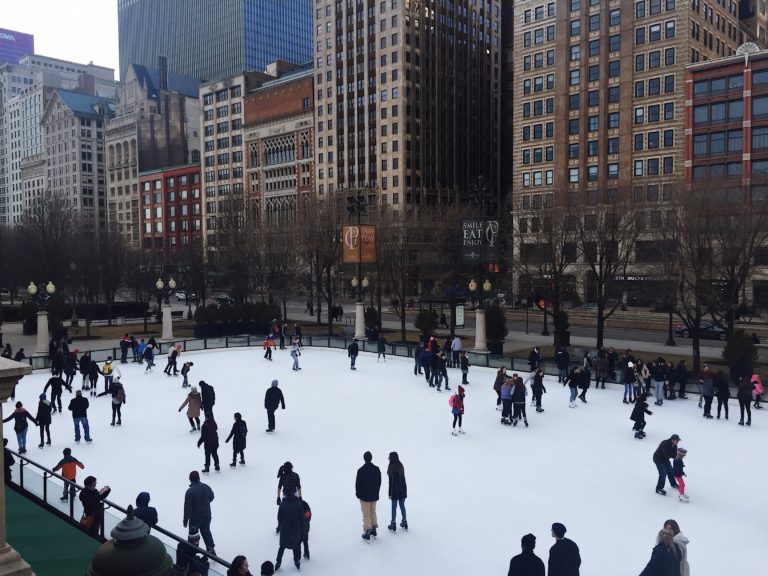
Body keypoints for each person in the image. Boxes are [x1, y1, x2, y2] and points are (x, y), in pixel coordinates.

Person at [183, 470, 216, 553]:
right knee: (206, 531)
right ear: (199, 478)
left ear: (190, 479)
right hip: (207, 515)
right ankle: (211, 549)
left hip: (195, 518)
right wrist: (205, 502)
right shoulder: (206, 487)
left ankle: (192, 551)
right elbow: (212, 497)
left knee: (193, 534)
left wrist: (185, 521)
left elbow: (187, 508)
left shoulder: (189, 491)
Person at [355, 451, 381, 541]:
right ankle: (374, 528)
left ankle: (367, 532)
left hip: (364, 496)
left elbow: (358, 484)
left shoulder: (361, 470)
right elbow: (379, 482)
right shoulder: (377, 469)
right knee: (373, 511)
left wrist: (358, 494)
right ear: (371, 458)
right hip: (374, 495)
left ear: (364, 459)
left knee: (366, 514)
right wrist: (376, 491)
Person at [387, 451, 408, 531]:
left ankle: (393, 523)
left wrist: (390, 493)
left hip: (395, 491)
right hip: (402, 490)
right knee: (402, 506)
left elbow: (391, 482)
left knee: (394, 507)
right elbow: (403, 480)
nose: (388, 458)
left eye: (389, 457)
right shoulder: (400, 465)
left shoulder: (391, 467)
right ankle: (404, 521)